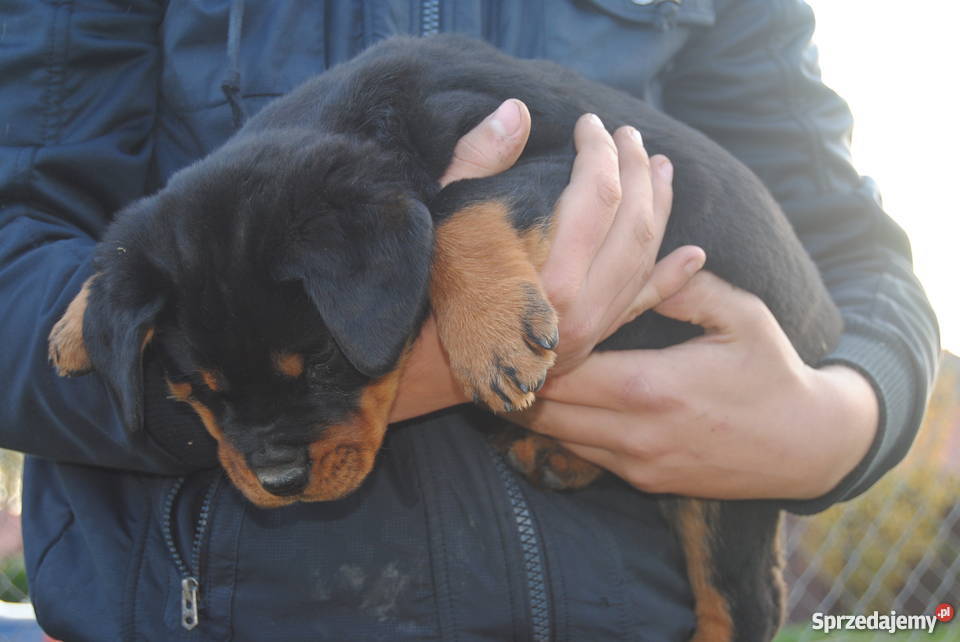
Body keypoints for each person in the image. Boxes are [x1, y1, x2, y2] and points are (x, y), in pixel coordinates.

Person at [0, 1, 938, 640]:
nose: (276, 463)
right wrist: (120, 305)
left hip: (635, 596)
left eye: (310, 374)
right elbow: (42, 245)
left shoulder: (417, 127)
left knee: (731, 599)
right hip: (222, 615)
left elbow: (851, 247)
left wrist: (838, 425)